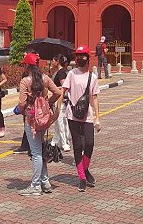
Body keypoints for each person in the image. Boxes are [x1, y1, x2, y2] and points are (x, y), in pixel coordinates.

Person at [16, 52, 62, 196]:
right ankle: (45, 182)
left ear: (27, 66)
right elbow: (57, 93)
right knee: (40, 151)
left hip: (32, 121)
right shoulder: (45, 78)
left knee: (36, 153)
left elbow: (21, 104)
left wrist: (19, 110)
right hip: (44, 120)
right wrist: (47, 103)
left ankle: (35, 186)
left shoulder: (25, 81)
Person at [61, 46, 101, 192]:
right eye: (78, 56)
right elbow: (63, 91)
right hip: (72, 115)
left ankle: (85, 168)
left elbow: (94, 98)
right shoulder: (72, 74)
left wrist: (97, 118)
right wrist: (56, 109)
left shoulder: (93, 77)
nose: (80, 58)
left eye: (83, 56)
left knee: (89, 143)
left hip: (87, 116)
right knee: (78, 146)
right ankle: (82, 177)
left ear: (88, 58)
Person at [49, 55, 71, 152]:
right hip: (60, 100)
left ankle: (64, 142)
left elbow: (64, 87)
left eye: (53, 60)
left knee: (61, 122)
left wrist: (54, 89)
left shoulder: (61, 73)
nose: (52, 62)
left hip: (60, 100)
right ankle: (55, 141)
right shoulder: (60, 72)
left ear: (57, 61)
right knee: (59, 123)